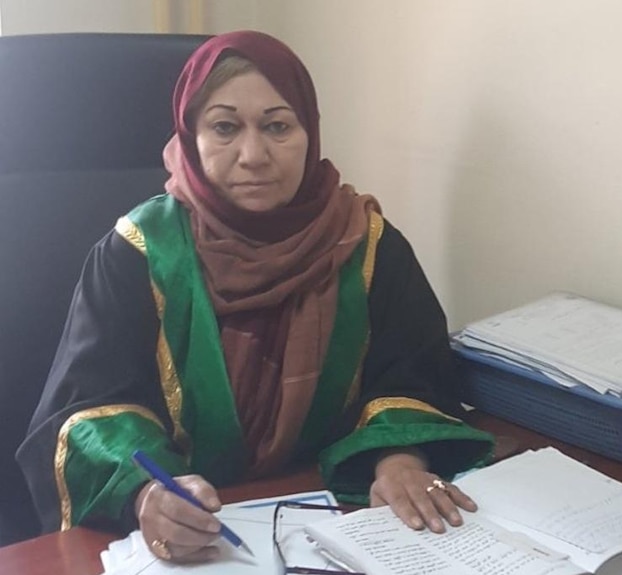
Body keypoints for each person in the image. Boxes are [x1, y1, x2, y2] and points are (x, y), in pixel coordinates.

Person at [16, 30, 494, 563]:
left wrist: (399, 458)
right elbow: (89, 410)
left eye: (277, 126)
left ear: (309, 131)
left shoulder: (368, 245)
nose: (254, 155)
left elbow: (412, 376)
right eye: (224, 127)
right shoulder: (136, 253)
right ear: (189, 136)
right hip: (187, 542)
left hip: (336, 531)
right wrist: (146, 493)